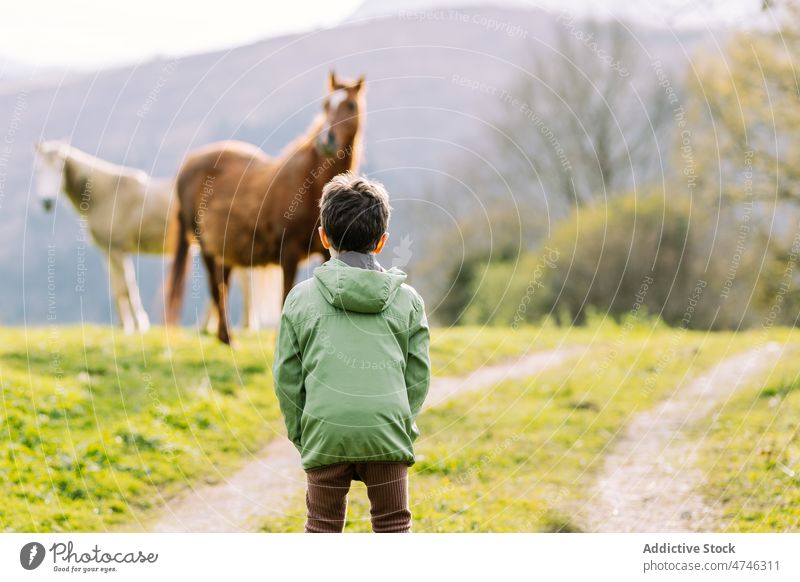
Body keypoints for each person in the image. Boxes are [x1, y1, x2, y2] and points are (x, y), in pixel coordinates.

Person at [273, 172, 431, 533]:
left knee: (323, 526)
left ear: (324, 237)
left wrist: (304, 434)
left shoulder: (299, 298)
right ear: (382, 242)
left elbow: (287, 378)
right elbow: (418, 375)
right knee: (393, 524)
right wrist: (399, 422)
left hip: (324, 430)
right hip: (387, 430)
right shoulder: (408, 301)